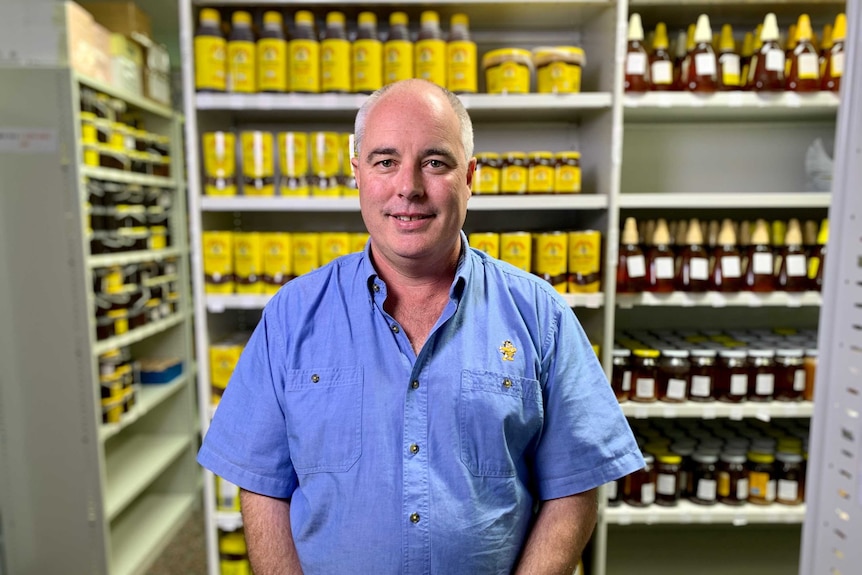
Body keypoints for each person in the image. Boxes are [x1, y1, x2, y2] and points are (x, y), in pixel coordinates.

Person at [198, 78, 643, 575]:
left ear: (470, 176)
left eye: (435, 162)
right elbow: (262, 485)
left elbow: (575, 484)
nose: (408, 187)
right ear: (357, 174)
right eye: (385, 161)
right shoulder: (291, 315)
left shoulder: (540, 314)